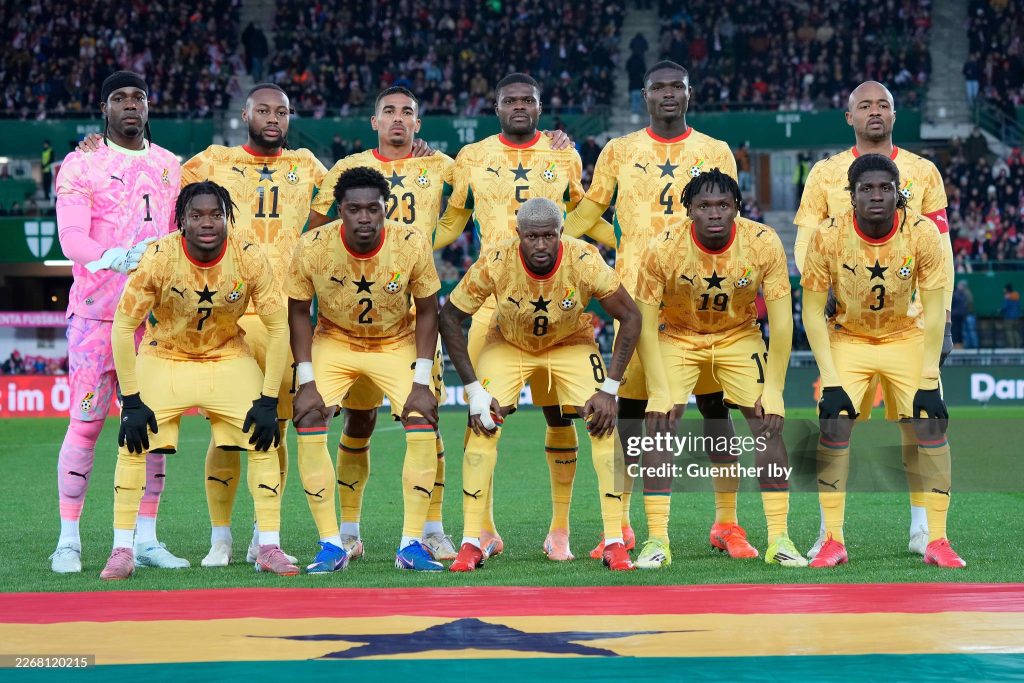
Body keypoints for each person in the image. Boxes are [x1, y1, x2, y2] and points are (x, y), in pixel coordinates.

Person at [564, 60, 755, 564]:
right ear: (643, 96)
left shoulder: (714, 151)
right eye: (658, 88)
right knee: (629, 414)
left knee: (716, 414)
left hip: (700, 305)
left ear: (689, 94)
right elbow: (591, 211)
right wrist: (560, 235)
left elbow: (733, 218)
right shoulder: (619, 151)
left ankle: (727, 525)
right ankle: (622, 525)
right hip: (638, 305)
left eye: (677, 87)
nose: (668, 95)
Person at [433, 72, 614, 562]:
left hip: (554, 301)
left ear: (540, 105)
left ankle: (560, 531)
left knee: (563, 417)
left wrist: (621, 244)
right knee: (482, 417)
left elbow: (582, 215)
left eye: (527, 100)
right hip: (490, 300)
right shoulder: (471, 157)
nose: (518, 106)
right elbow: (453, 218)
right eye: (509, 99)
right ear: (495, 107)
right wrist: (415, 249)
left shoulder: (564, 154)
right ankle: (484, 530)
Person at [792, 80, 954, 559]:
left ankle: (925, 529)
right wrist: (817, 287)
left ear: (895, 113)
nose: (874, 112)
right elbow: (807, 239)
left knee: (920, 424)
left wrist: (942, 317)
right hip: (847, 319)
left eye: (883, 104)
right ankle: (829, 533)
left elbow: (939, 244)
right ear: (849, 116)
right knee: (835, 420)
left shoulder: (923, 171)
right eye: (864, 105)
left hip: (913, 322)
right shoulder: (825, 173)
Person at [101, 181, 294, 579]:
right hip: (165, 356)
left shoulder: (249, 256)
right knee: (131, 441)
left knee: (265, 437)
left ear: (227, 218)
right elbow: (123, 327)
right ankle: (122, 550)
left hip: (227, 355)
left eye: (216, 215)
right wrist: (131, 400)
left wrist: (269, 399)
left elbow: (278, 328)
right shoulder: (158, 256)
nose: (208, 223)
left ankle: (269, 546)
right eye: (197, 215)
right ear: (182, 221)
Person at [438, 197, 641, 572]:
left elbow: (630, 315)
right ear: (519, 235)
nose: (541, 245)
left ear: (562, 232)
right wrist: (473, 391)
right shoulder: (497, 261)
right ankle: (470, 541)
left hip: (570, 344)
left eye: (549, 235)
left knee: (602, 426)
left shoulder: (583, 259)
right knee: (483, 423)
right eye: (532, 237)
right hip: (509, 344)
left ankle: (614, 540)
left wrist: (610, 389)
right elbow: (449, 317)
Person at [306, 86, 457, 562]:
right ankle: (347, 531)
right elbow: (315, 231)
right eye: (388, 111)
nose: (397, 119)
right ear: (374, 121)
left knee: (426, 419)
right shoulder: (347, 170)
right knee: (359, 419)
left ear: (418, 123)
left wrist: (559, 142)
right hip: (349, 314)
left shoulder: (442, 166)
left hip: (411, 313)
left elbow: (481, 196)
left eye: (407, 113)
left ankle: (430, 529)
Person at [635, 169, 805, 568]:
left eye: (723, 205)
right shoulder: (663, 248)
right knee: (660, 421)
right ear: (688, 210)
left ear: (737, 209)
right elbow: (643, 323)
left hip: (738, 335)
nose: (715, 213)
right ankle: (656, 539)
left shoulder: (763, 242)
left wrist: (775, 390)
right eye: (704, 206)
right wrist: (659, 390)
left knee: (767, 421)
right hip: (678, 335)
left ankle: (780, 537)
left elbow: (782, 324)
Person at [51, 71, 184, 574]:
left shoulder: (170, 166)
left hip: (155, 324)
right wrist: (116, 257)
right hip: (95, 319)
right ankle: (69, 540)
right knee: (85, 427)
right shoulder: (82, 163)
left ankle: (145, 539)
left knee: (152, 430)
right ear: (104, 109)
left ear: (148, 108)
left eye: (139, 97)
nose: (130, 105)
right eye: (119, 98)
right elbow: (71, 240)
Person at [286, 167, 444, 573]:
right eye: (354, 209)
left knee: (422, 414)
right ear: (340, 210)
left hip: (397, 340)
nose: (364, 218)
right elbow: (298, 311)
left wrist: (422, 380)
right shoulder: (312, 246)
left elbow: (428, 311)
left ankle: (411, 544)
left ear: (385, 208)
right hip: (335, 339)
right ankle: (332, 543)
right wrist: (305, 380)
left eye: (373, 209)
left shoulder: (411, 244)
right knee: (307, 413)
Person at [1002, 283, 1021, 347]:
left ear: (1007, 289)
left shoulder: (1007, 296)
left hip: (1009, 317)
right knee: (1015, 331)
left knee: (1009, 332)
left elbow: (1005, 307)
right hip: (1016, 316)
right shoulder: (1016, 295)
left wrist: (1000, 310)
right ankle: (1018, 345)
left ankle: (1011, 346)